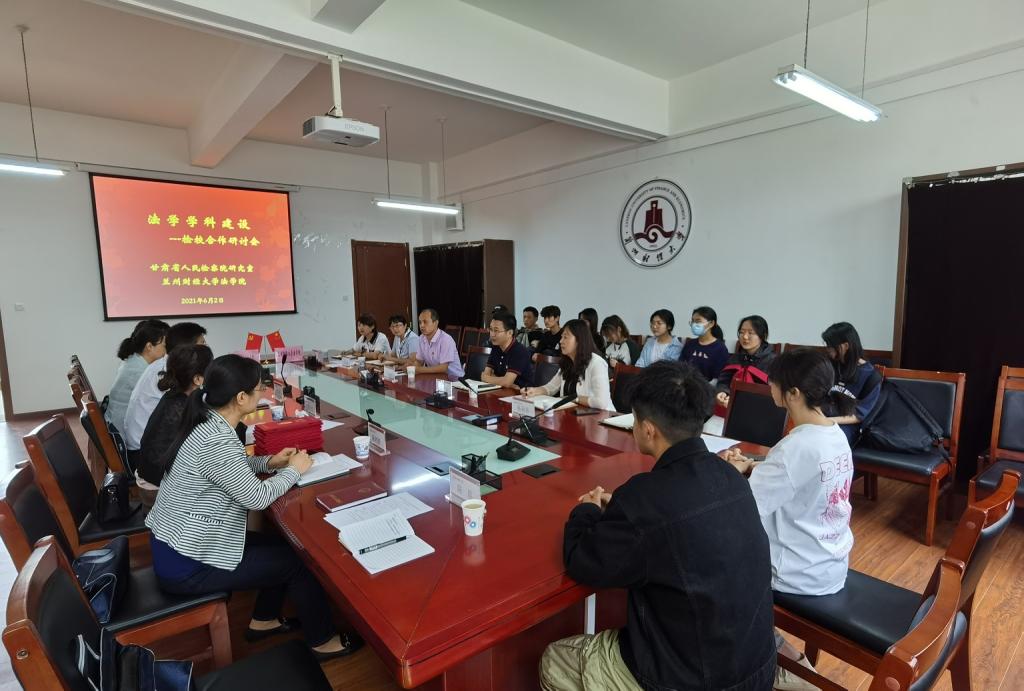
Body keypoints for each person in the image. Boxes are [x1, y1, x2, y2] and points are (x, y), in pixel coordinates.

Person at [539, 360, 776, 691]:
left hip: (689, 681)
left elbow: (583, 560)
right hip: (756, 669)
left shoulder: (644, 498)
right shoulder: (730, 476)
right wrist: (625, 511)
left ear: (648, 429)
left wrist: (588, 510)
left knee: (555, 660)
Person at [146, 354, 362, 660]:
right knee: (300, 562)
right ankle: (322, 641)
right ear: (241, 397)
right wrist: (294, 470)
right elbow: (257, 498)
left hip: (180, 546)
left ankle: (264, 620)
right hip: (188, 563)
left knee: (284, 547)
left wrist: (270, 462)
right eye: (259, 389)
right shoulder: (216, 439)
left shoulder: (209, 422)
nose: (262, 394)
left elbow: (230, 469)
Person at [721, 348, 855, 690]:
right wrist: (754, 467)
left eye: (774, 382)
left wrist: (732, 473)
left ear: (792, 393)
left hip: (796, 573)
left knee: (715, 561)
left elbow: (744, 510)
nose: (770, 387)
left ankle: (772, 663)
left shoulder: (795, 448)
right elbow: (800, 482)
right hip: (830, 561)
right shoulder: (835, 435)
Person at [135, 343, 213, 507]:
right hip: (158, 491)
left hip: (151, 478)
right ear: (198, 379)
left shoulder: (174, 396)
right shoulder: (181, 408)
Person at [124, 321, 208, 457]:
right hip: (144, 451)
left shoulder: (164, 363)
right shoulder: (166, 371)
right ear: (188, 349)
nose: (206, 347)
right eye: (202, 343)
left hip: (148, 444)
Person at [521, 319, 614, 411]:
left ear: (579, 340)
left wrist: (573, 398)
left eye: (565, 337)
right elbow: (551, 387)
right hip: (574, 414)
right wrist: (533, 391)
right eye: (561, 337)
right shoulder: (567, 362)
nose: (561, 341)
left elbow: (601, 402)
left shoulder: (597, 363)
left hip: (602, 416)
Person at [822, 322, 882, 444]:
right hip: (821, 418)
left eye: (831, 346)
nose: (828, 349)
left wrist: (828, 421)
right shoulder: (829, 365)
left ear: (845, 346)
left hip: (846, 426)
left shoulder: (871, 376)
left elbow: (858, 416)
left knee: (825, 442)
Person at [106, 319, 169, 434]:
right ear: (149, 346)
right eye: (165, 345)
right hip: (124, 432)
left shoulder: (135, 360)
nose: (167, 350)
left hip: (117, 422)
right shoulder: (139, 372)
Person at [714, 315, 777, 415]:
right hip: (731, 409)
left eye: (750, 333)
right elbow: (724, 381)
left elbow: (775, 394)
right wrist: (723, 392)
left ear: (763, 336)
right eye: (742, 332)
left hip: (760, 412)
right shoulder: (734, 358)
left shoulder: (774, 362)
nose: (745, 337)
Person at [480, 312, 534, 388]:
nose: (492, 334)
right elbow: (487, 373)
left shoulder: (519, 351)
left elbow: (506, 382)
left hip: (521, 393)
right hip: (502, 390)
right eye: (491, 329)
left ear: (510, 333)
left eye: (496, 330)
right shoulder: (496, 347)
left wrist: (487, 378)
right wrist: (506, 383)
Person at [679, 305, 729, 381]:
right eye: (693, 321)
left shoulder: (720, 349)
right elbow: (680, 367)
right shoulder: (690, 344)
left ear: (711, 323)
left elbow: (717, 378)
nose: (694, 324)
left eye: (698, 321)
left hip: (707, 387)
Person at [415, 308, 465, 378]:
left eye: (425, 322)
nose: (422, 325)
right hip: (436, 378)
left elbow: (443, 368)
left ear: (435, 323)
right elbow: (419, 361)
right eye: (420, 322)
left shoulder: (445, 339)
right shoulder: (421, 338)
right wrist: (412, 368)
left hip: (454, 379)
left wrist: (419, 369)